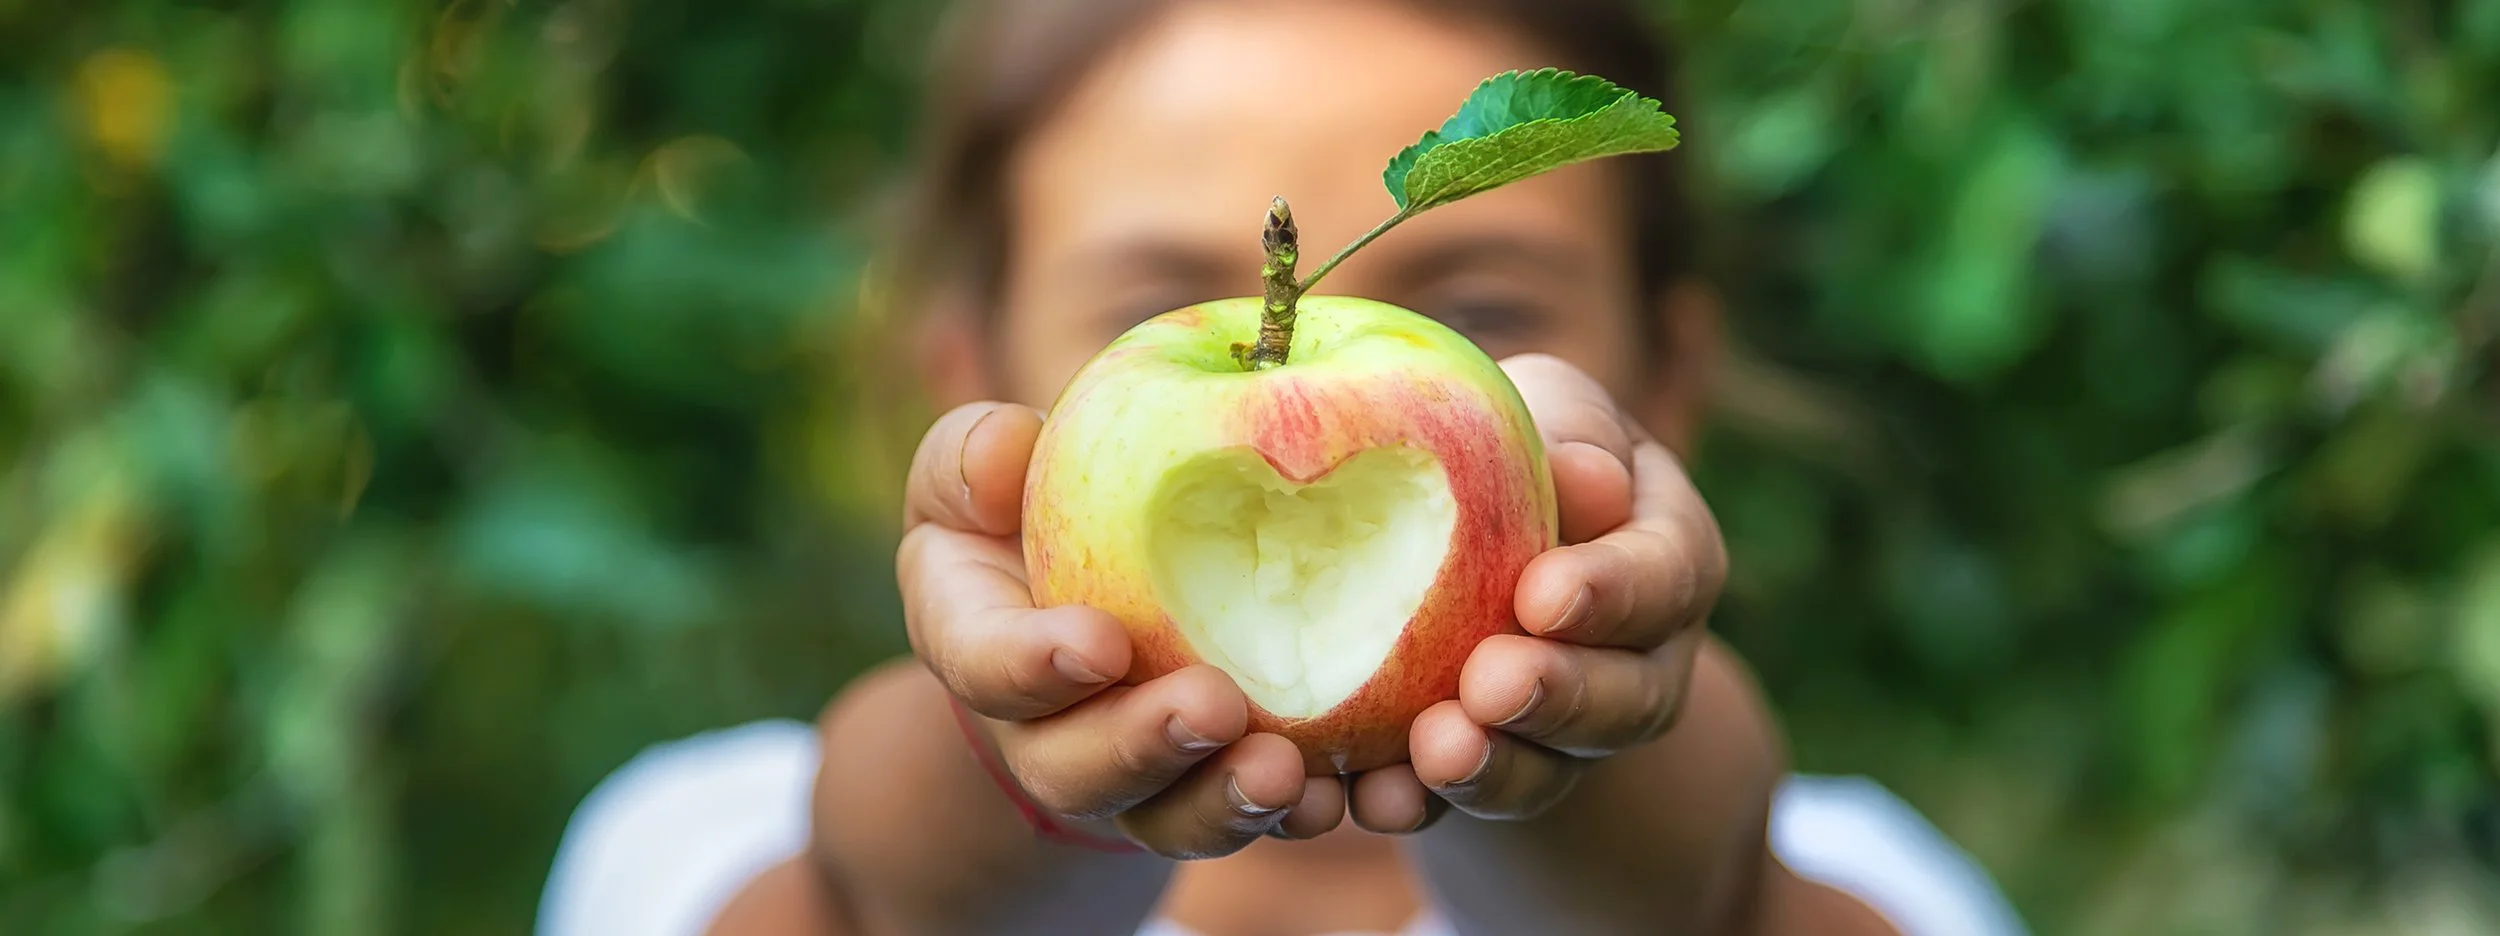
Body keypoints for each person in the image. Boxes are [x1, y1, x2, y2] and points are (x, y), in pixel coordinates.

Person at [535, 0, 2036, 933]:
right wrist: (1026, 751)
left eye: (1484, 308)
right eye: (1149, 306)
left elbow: (1699, 903)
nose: (1325, 389)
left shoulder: (1859, 877)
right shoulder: (697, 837)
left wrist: (1584, 747)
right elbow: (884, 904)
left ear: (1668, 386)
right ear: (975, 389)